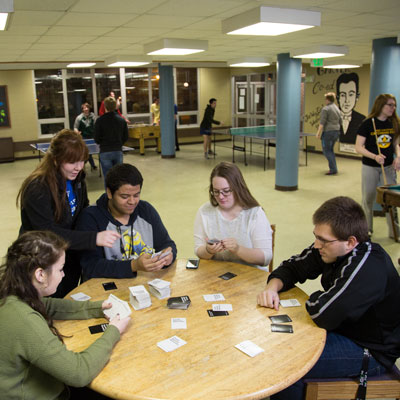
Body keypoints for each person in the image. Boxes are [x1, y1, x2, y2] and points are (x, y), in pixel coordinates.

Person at [257, 196, 400, 400]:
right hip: (344, 330)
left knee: (288, 365)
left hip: (370, 350)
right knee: (281, 344)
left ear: (350, 242)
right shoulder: (331, 249)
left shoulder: (367, 266)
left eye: (323, 240)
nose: (316, 245)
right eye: (316, 236)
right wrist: (273, 287)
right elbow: (294, 267)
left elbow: (323, 313)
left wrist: (320, 297)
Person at [0, 230, 130, 400]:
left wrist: (96, 308)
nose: (64, 274)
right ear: (40, 274)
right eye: (60, 269)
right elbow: (79, 373)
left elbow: (48, 305)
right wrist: (113, 331)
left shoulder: (11, 291)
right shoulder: (25, 320)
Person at [17, 129, 120, 298]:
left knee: (68, 298)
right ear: (56, 159)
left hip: (68, 256)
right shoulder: (37, 188)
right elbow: (47, 234)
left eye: (82, 161)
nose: (79, 167)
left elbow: (83, 209)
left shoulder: (76, 179)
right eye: (72, 162)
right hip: (42, 260)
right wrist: (93, 238)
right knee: (50, 307)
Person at [76, 163, 177, 280]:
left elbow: (167, 244)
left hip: (141, 285)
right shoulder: (90, 218)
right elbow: (91, 267)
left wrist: (169, 255)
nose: (132, 201)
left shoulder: (146, 211)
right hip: (105, 290)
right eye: (124, 196)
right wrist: (133, 265)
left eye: (136, 195)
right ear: (109, 193)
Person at [194, 161, 272, 270]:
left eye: (226, 191)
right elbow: (198, 251)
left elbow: (266, 258)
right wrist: (208, 251)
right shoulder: (204, 211)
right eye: (216, 192)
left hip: (251, 279)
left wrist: (238, 249)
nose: (221, 197)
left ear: (238, 188)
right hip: (217, 277)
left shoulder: (255, 214)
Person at [355, 93, 400, 236]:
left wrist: (398, 157)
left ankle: (395, 231)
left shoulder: (394, 123)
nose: (393, 108)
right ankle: (366, 229)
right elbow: (358, 147)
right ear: (381, 105)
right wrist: (374, 156)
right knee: (368, 198)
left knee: (391, 198)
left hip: (388, 167)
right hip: (370, 166)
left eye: (394, 105)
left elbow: (396, 144)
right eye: (390, 105)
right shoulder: (368, 123)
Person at [94, 96, 129, 183]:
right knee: (118, 178)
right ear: (115, 106)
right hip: (118, 151)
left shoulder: (99, 121)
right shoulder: (121, 120)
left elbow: (96, 139)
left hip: (105, 152)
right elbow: (126, 136)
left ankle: (109, 196)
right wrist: (119, 143)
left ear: (105, 106)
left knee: (108, 179)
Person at [316, 92, 342, 175]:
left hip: (328, 132)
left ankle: (333, 169)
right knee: (330, 150)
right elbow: (340, 121)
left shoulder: (325, 109)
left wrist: (318, 133)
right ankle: (333, 167)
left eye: (325, 99)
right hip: (336, 131)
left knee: (326, 151)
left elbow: (322, 122)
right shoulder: (337, 108)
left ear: (327, 99)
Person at [336, 72, 366, 145]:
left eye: (351, 94)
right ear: (338, 98)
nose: (347, 100)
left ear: (357, 96)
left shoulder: (362, 120)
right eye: (343, 95)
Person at [74, 102, 97, 170]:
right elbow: (75, 127)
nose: (86, 109)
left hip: (92, 137)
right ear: (82, 109)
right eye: (84, 108)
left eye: (87, 107)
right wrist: (77, 132)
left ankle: (85, 164)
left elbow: (96, 125)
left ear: (89, 108)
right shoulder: (79, 118)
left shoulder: (93, 116)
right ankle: (91, 165)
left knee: (90, 152)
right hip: (83, 137)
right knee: (87, 152)